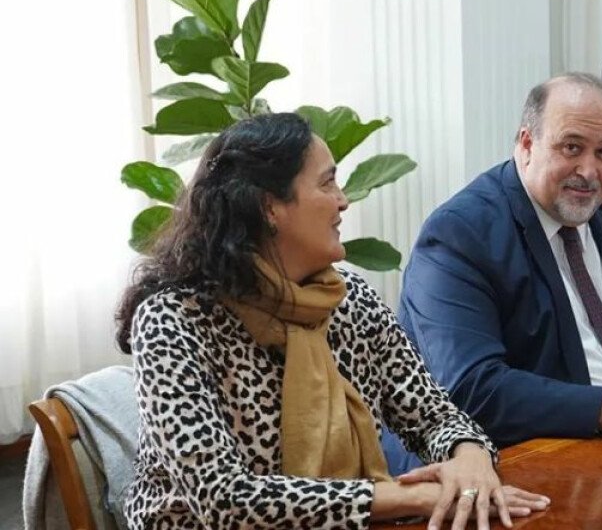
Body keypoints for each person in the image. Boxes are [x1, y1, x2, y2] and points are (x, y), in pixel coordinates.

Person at [115, 113, 548, 530]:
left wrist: (469, 457)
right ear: (269, 207)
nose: (343, 200)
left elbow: (432, 415)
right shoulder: (173, 320)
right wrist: (414, 497)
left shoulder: (348, 299)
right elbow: (223, 499)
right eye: (327, 183)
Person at [398, 73, 602, 449]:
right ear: (526, 144)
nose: (589, 171)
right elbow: (472, 389)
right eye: (572, 148)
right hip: (537, 452)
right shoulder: (460, 233)